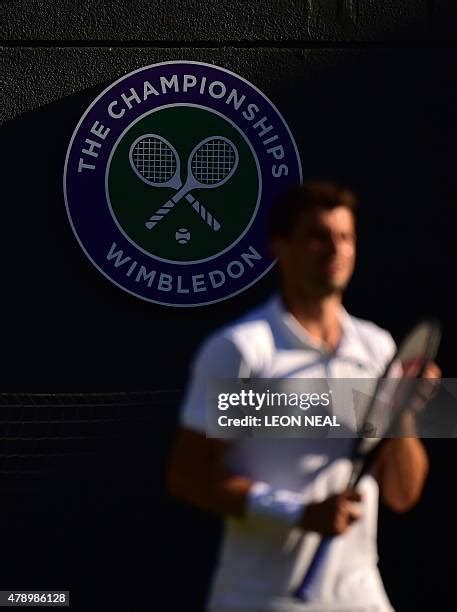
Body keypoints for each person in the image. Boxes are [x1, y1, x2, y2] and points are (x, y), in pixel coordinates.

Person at [167, 181, 440, 612]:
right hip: (260, 600)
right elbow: (188, 476)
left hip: (360, 596)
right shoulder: (244, 351)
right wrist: (295, 512)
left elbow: (402, 496)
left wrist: (402, 416)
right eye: (318, 237)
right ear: (281, 246)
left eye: (346, 237)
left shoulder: (376, 350)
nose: (335, 250)